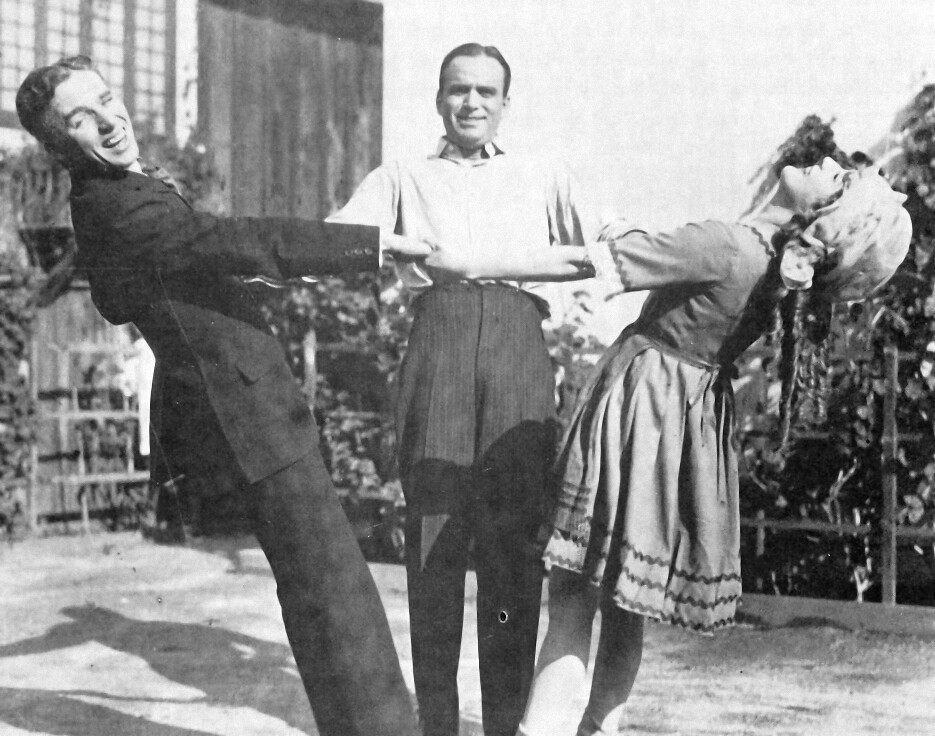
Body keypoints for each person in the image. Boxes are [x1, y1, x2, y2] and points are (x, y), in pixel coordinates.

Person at [16, 56, 432, 736]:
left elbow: (122, 298)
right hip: (246, 411)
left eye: (108, 100)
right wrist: (368, 246)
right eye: (82, 119)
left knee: (318, 587)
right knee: (333, 587)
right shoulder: (119, 207)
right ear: (62, 146)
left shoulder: (116, 196)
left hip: (243, 403)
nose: (110, 121)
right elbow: (234, 240)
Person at [510, 158, 913, 736]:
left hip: (641, 410)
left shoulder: (728, 244)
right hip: (686, 427)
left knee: (574, 596)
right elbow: (658, 253)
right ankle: (599, 729)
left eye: (837, 179)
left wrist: (469, 266)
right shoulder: (771, 267)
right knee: (625, 605)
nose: (827, 161)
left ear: (820, 216)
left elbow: (595, 262)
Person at [328, 42, 596, 736]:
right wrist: (396, 247)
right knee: (435, 542)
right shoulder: (403, 175)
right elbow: (336, 237)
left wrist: (497, 261)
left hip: (516, 341)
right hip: (438, 341)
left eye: (485, 91)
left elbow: (600, 244)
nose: (471, 102)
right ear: (438, 98)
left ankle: (505, 725)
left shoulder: (542, 173)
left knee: (513, 547)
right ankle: (438, 726)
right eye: (457, 89)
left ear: (506, 103)